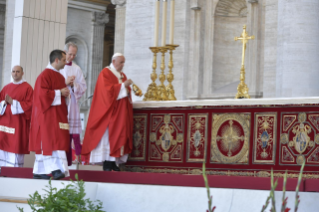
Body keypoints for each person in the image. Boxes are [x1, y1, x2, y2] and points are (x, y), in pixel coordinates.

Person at [81, 53, 133, 171]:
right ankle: (107, 162)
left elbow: (124, 91)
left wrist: (127, 88)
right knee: (108, 137)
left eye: (124, 62)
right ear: (114, 62)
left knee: (118, 135)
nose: (123, 65)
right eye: (121, 62)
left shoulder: (122, 75)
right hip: (109, 112)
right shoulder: (105, 73)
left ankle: (114, 161)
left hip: (120, 113)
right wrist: (123, 85)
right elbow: (106, 92)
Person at [29, 50, 70, 180]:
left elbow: (63, 94)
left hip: (57, 115)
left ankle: (39, 171)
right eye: (64, 60)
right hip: (47, 115)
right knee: (50, 142)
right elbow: (41, 96)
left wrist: (66, 93)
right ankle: (55, 169)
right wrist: (59, 93)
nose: (66, 62)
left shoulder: (60, 76)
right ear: (56, 60)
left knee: (57, 141)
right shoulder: (44, 75)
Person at [0, 66, 33, 172]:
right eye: (13, 72)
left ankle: (13, 173)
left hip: (18, 124)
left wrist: (13, 102)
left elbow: (30, 105)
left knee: (14, 148)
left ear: (22, 73)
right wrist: (4, 103)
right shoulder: (6, 87)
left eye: (18, 72)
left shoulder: (27, 88)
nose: (15, 74)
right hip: (4, 124)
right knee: (2, 147)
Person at [60, 42, 87, 166]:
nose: (71, 57)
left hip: (72, 104)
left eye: (74, 55)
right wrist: (64, 82)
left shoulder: (76, 69)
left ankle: (74, 158)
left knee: (73, 131)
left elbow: (83, 87)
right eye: (70, 54)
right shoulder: (57, 67)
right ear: (64, 52)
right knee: (61, 131)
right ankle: (60, 159)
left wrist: (73, 85)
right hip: (60, 103)